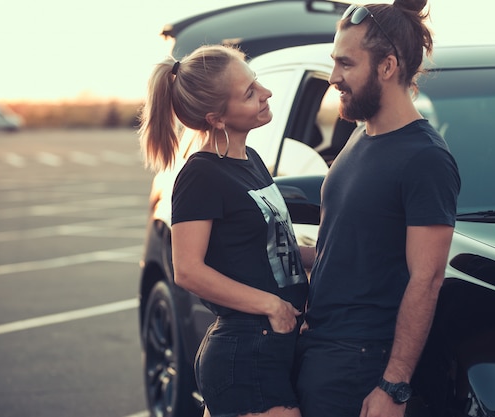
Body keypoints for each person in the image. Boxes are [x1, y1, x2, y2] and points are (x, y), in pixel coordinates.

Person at [293, 1, 460, 417]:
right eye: (334, 62)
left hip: (361, 365)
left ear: (387, 67)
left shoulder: (425, 158)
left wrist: (394, 385)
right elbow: (356, 248)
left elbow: (427, 278)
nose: (334, 78)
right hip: (321, 350)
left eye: (346, 64)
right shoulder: (360, 136)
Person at [139, 44, 309, 417]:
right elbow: (187, 270)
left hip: (272, 347)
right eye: (249, 93)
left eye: (257, 83)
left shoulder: (252, 161)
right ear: (217, 118)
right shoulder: (200, 175)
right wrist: (272, 305)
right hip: (244, 354)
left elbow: (273, 248)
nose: (265, 93)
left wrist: (332, 249)